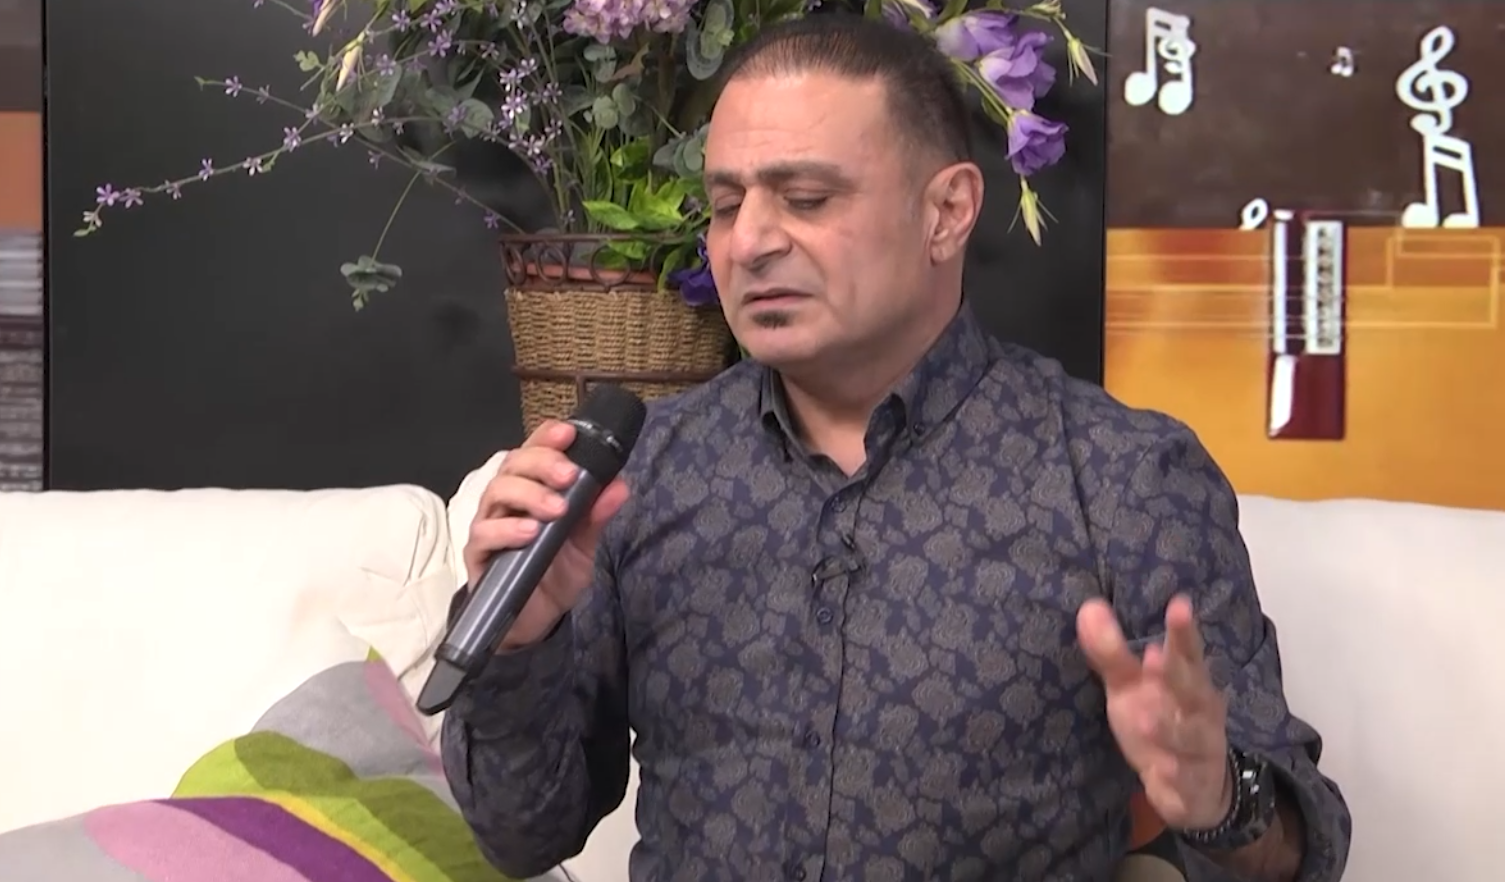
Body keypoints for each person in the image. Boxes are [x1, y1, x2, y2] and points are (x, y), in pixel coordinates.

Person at [441, 12, 1352, 882]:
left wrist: (1215, 800)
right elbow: (524, 837)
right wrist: (520, 643)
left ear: (946, 211)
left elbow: (1300, 854)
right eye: (724, 205)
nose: (749, 242)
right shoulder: (643, 475)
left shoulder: (1121, 476)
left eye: (805, 199)